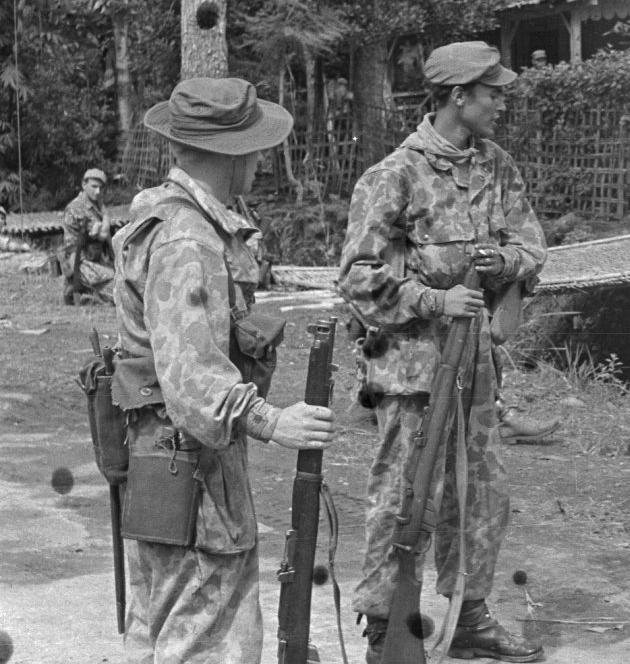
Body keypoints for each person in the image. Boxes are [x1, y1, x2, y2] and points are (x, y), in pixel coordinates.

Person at [112, 77, 337, 663]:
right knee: (205, 641)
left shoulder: (165, 216)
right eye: (255, 145)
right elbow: (193, 382)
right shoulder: (189, 239)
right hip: (192, 473)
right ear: (230, 152)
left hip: (165, 464)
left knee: (161, 629)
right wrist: (271, 421)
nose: (262, 159)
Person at [339, 41, 548, 663]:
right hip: (411, 371)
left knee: (481, 495)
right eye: (493, 92)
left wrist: (502, 260)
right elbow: (357, 279)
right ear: (459, 96)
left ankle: (469, 618)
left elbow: (533, 245)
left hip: (476, 366)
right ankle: (385, 626)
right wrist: (434, 301)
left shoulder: (496, 166)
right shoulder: (393, 176)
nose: (501, 104)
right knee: (404, 496)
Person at [61, 167, 114, 304]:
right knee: (118, 290)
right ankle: (80, 291)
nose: (98, 192)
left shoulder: (95, 206)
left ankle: (91, 294)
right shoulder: (76, 208)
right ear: (84, 185)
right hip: (80, 262)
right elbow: (103, 234)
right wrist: (106, 215)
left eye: (101, 188)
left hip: (96, 260)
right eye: (94, 186)